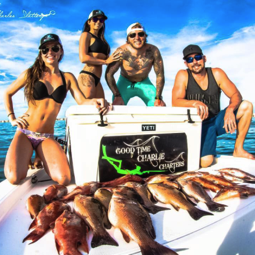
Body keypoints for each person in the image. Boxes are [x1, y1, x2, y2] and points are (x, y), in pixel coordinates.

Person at [4, 33, 111, 185]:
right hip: (25, 132)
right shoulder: (31, 74)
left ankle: (38, 154)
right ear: (40, 53)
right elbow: (7, 93)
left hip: (46, 136)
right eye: (45, 49)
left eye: (55, 48)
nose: (50, 52)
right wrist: (11, 118)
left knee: (64, 179)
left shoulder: (67, 77)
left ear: (61, 51)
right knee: (14, 178)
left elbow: (81, 101)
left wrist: (98, 100)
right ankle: (28, 154)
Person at [172, 44, 254, 168]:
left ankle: (238, 149)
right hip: (198, 125)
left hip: (216, 121)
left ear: (204, 58)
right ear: (186, 63)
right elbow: (176, 102)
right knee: (206, 162)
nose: (195, 62)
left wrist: (230, 109)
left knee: (246, 106)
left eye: (198, 57)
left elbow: (236, 94)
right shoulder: (183, 75)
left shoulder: (217, 73)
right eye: (190, 59)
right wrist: (194, 102)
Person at [105, 22, 166, 106]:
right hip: (125, 82)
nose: (137, 38)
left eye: (140, 34)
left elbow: (160, 75)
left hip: (144, 82)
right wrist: (117, 95)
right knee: (117, 107)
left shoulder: (153, 51)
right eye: (132, 35)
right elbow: (109, 74)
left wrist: (158, 98)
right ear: (128, 39)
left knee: (159, 107)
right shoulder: (121, 51)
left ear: (145, 36)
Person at [78, 10, 120, 99]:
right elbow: (83, 58)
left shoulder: (104, 41)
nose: (98, 22)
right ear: (89, 21)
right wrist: (105, 61)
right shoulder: (86, 35)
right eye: (95, 19)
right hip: (87, 75)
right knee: (87, 108)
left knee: (102, 109)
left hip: (98, 80)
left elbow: (109, 60)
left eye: (101, 20)